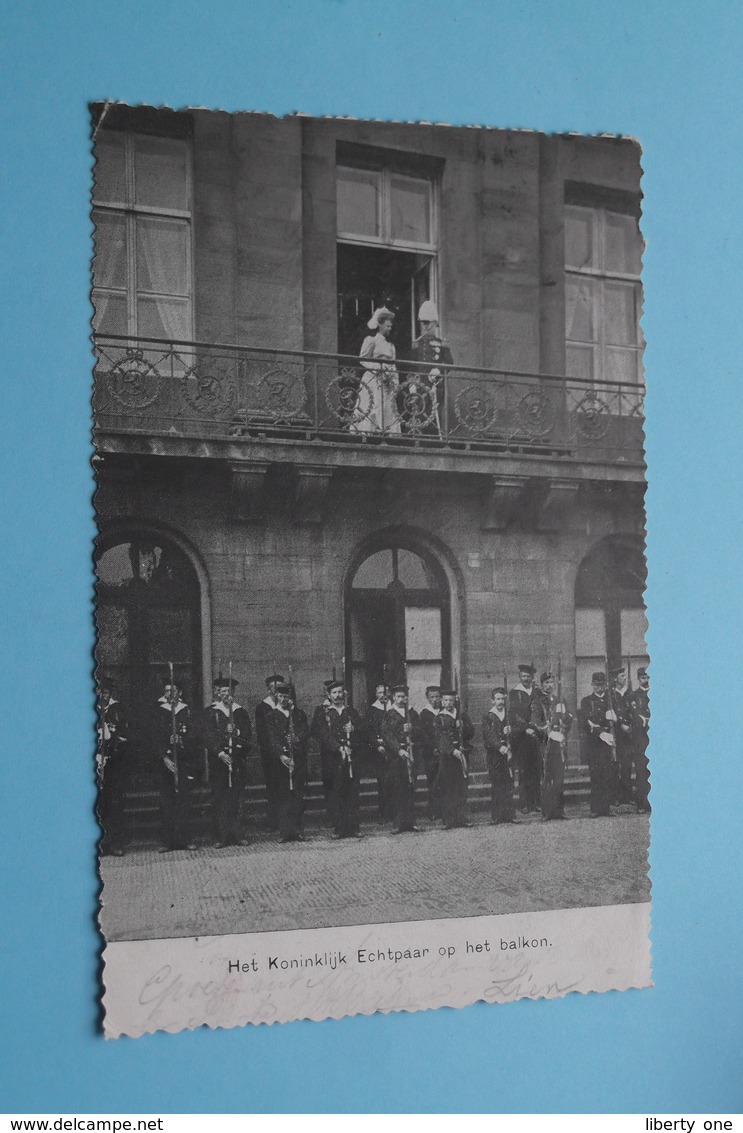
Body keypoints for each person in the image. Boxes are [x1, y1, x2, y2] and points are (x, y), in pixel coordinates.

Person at [202, 673, 252, 847]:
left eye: (229, 691)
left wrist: (236, 732)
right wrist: (220, 753)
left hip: (236, 760)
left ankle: (238, 834)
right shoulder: (211, 712)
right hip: (220, 762)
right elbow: (208, 736)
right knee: (221, 798)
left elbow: (248, 736)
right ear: (218, 693)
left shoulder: (240, 712)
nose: (226, 694)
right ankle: (221, 836)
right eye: (223, 691)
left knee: (237, 799)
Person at [311, 680, 362, 838]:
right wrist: (337, 747)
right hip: (332, 758)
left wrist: (353, 730)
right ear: (328, 695)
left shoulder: (350, 712)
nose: (337, 695)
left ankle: (353, 827)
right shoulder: (323, 713)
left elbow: (362, 732)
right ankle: (339, 827)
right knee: (336, 791)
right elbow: (319, 733)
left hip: (350, 756)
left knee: (352, 791)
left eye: (340, 692)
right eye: (334, 693)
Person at [153, 675, 196, 851]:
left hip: (184, 761)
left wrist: (182, 741)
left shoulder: (186, 711)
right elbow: (154, 737)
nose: (170, 694)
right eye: (167, 691)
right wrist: (164, 756)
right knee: (166, 801)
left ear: (180, 692)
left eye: (173, 690)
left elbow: (195, 736)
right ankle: (167, 841)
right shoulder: (159, 711)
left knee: (184, 801)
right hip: (166, 763)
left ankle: (184, 840)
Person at [265, 682, 310, 842]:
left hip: (297, 759)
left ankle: (298, 830)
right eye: (281, 696)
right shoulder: (272, 716)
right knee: (283, 796)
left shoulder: (298, 714)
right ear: (276, 696)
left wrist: (297, 738)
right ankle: (285, 832)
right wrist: (281, 755)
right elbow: (272, 737)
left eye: (287, 696)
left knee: (298, 795)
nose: (284, 699)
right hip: (282, 761)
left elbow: (306, 731)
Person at [407, 300, 453, 436]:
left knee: (434, 416)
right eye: (422, 323)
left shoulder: (442, 343)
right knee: (419, 416)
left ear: (434, 324)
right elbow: (411, 366)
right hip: (419, 385)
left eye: (427, 323)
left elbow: (450, 362)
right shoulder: (417, 344)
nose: (424, 326)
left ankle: (434, 441)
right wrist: (411, 384)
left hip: (435, 386)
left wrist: (438, 369)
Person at [531, 671, 573, 820]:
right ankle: (547, 812)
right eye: (547, 683)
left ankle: (559, 811)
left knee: (559, 777)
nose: (550, 685)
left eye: (552, 682)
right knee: (546, 778)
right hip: (545, 744)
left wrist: (564, 726)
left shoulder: (560, 700)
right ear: (541, 684)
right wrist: (546, 730)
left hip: (558, 744)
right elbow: (535, 722)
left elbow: (569, 719)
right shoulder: (538, 701)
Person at [353, 307, 400, 434]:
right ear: (380, 324)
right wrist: (377, 368)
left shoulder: (391, 346)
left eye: (391, 326)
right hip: (373, 379)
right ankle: (368, 434)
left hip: (387, 381)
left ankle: (387, 435)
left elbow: (393, 365)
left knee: (387, 409)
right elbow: (362, 359)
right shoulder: (371, 340)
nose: (390, 328)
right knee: (371, 406)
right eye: (387, 326)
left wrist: (394, 380)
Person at [96, 680, 129, 856]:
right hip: (94, 763)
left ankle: (116, 842)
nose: (103, 696)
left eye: (106, 692)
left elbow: (124, 734)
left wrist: (114, 743)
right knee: (97, 804)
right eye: (100, 692)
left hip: (114, 764)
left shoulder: (119, 710)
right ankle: (100, 844)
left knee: (115, 803)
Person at [381, 684, 419, 833]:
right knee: (398, 788)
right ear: (393, 698)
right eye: (398, 696)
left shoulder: (411, 713)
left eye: (404, 696)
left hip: (411, 753)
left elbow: (420, 729)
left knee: (410, 787)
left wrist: (412, 730)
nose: (402, 699)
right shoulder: (389, 714)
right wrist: (398, 749)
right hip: (396, 756)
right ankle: (398, 823)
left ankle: (411, 822)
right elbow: (387, 734)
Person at [435, 690, 474, 829]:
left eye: (451, 700)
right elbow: (440, 738)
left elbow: (471, 733)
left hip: (462, 754)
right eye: (445, 700)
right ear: (442, 701)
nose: (448, 703)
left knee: (461, 787)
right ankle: (449, 819)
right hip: (448, 757)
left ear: (454, 701)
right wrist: (452, 750)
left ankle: (462, 817)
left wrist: (463, 726)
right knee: (448, 787)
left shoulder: (461, 715)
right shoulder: (439, 718)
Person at [580, 671, 617, 818]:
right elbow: (587, 721)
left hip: (609, 743)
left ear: (605, 685)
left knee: (607, 775)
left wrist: (615, 718)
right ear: (592, 685)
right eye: (596, 685)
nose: (599, 688)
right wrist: (601, 731)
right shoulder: (586, 701)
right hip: (594, 743)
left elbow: (619, 716)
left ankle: (606, 808)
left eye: (601, 685)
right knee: (595, 775)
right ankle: (595, 808)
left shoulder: (611, 700)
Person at [509, 664, 541, 813]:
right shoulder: (515, 693)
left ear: (532, 677)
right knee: (524, 771)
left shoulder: (537, 692)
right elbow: (514, 714)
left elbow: (541, 712)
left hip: (536, 735)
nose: (526, 679)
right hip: (522, 737)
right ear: (520, 677)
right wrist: (525, 728)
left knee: (536, 770)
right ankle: (524, 804)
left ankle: (536, 803)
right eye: (523, 676)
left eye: (528, 676)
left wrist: (536, 728)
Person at [482, 687, 516, 825]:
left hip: (508, 753)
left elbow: (520, 727)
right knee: (497, 784)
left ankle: (509, 815)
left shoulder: (509, 716)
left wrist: (511, 730)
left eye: (502, 699)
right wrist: (500, 746)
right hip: (495, 754)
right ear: (493, 700)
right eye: (497, 699)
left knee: (509, 784)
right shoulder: (488, 716)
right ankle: (497, 816)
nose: (500, 702)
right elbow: (488, 735)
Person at [255, 673, 284, 830]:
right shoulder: (262, 708)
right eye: (274, 688)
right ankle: (273, 821)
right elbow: (262, 733)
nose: (276, 691)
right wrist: (274, 749)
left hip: (285, 753)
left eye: (279, 688)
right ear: (268, 690)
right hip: (270, 754)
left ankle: (286, 820)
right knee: (273, 787)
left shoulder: (287, 705)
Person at [363, 683, 393, 822]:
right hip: (380, 750)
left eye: (385, 692)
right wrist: (377, 745)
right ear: (376, 695)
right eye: (380, 693)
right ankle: (384, 813)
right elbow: (368, 732)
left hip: (394, 749)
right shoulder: (372, 711)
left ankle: (396, 812)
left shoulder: (394, 709)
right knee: (383, 781)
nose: (383, 696)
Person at [627, 667, 651, 813]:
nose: (646, 680)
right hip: (640, 737)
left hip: (654, 737)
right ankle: (641, 803)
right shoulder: (634, 696)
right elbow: (632, 713)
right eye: (643, 678)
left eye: (648, 677)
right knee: (641, 770)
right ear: (638, 679)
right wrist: (643, 720)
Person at [417, 685, 443, 818]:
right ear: (427, 698)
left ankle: (444, 810)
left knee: (444, 781)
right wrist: (433, 748)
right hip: (431, 753)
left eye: (437, 697)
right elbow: (423, 734)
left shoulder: (445, 712)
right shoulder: (424, 714)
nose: (434, 700)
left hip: (444, 751)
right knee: (433, 781)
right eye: (432, 697)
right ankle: (433, 811)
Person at [610, 666, 634, 805]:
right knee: (615, 765)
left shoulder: (629, 693)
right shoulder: (611, 694)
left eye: (625, 676)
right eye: (621, 677)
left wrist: (630, 726)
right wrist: (620, 724)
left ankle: (627, 795)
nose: (624, 679)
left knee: (626, 765)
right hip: (616, 733)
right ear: (615, 679)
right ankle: (616, 796)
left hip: (628, 733)